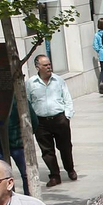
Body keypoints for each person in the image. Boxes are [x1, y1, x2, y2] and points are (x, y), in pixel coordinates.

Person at [25, 54, 77, 186]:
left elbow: (67, 98)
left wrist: (67, 116)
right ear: (37, 67)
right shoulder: (30, 83)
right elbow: (27, 102)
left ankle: (70, 169)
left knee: (65, 147)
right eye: (45, 65)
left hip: (59, 119)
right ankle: (54, 175)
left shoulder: (58, 80)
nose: (49, 67)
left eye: (49, 64)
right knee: (47, 151)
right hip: (41, 122)